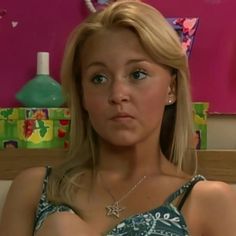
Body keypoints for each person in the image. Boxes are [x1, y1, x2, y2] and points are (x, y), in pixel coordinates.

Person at [1, 1, 236, 235]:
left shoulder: (209, 202)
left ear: (171, 89)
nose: (117, 95)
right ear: (82, 95)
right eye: (99, 78)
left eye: (137, 74)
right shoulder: (34, 189)